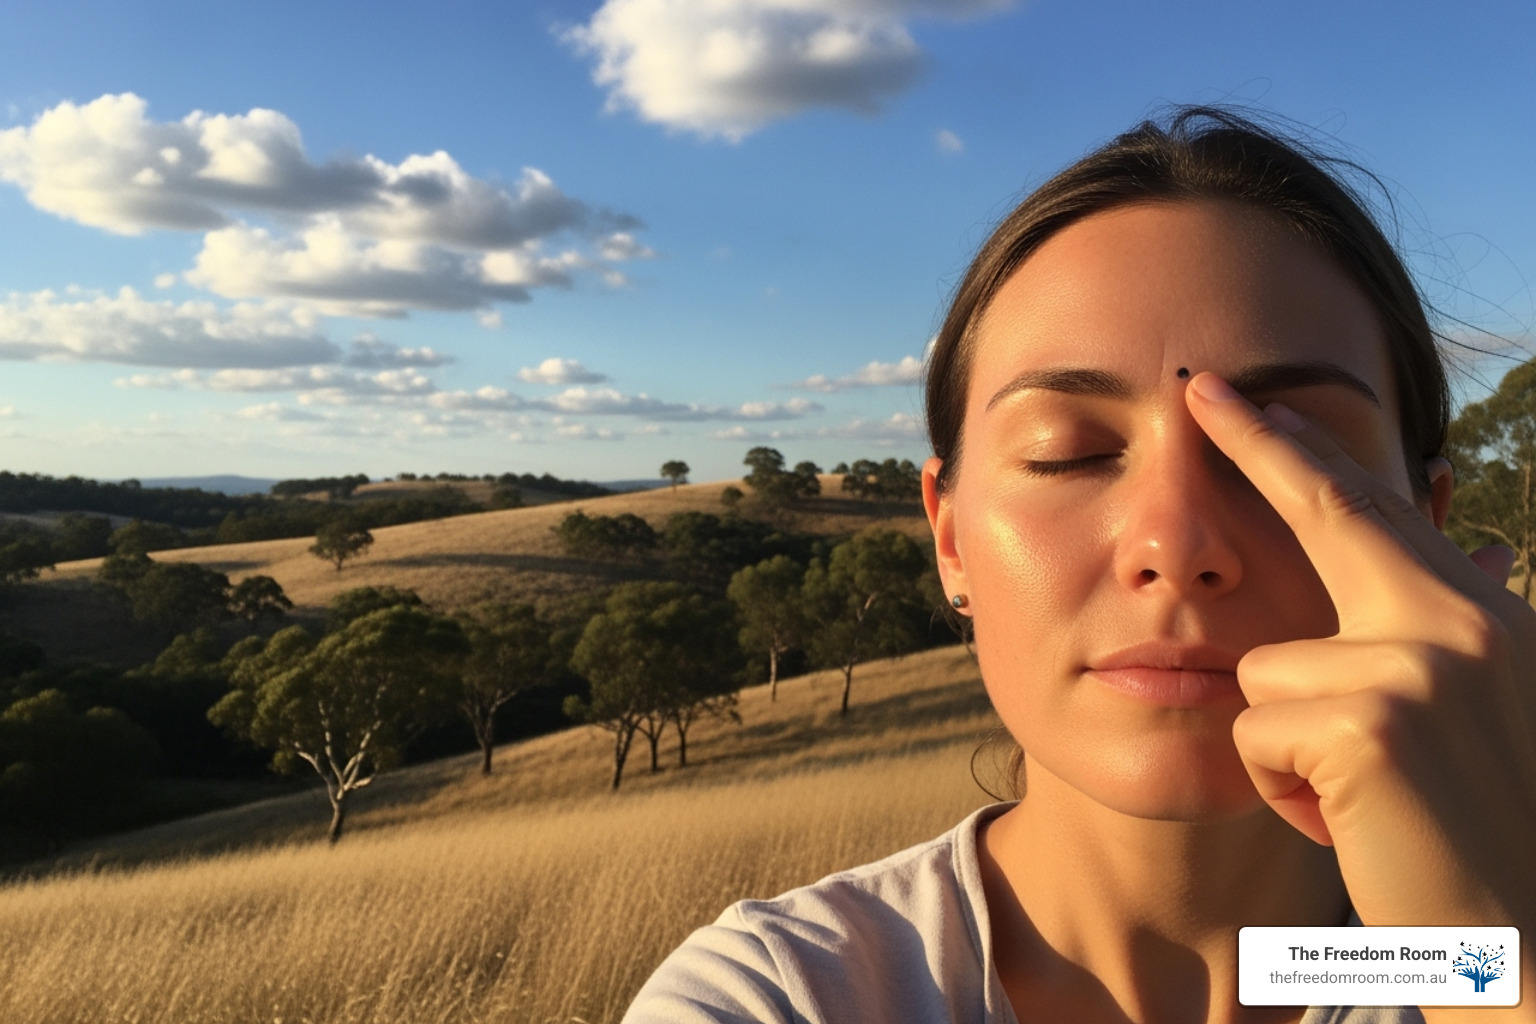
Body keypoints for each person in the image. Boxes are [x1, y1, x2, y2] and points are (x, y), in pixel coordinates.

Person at [621, 107, 1536, 1024]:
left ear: (1426, 529)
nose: (1176, 546)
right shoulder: (786, 994)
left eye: (1291, 448)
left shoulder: (1476, 955)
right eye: (1068, 453)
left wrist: (1491, 961)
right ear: (951, 541)